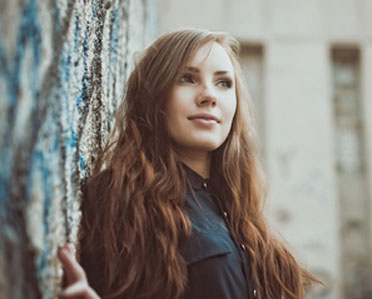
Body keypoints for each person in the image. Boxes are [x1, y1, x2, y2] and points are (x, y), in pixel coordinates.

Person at [57, 28, 323, 299]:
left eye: (223, 83)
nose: (209, 96)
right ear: (156, 97)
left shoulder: (241, 213)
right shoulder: (123, 196)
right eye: (187, 78)